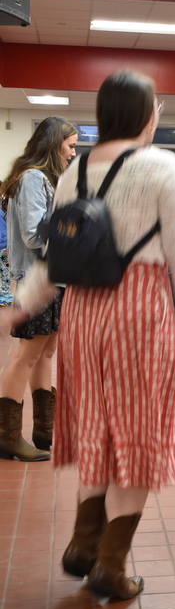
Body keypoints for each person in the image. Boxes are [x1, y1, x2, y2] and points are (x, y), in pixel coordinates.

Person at [1, 71, 175, 601]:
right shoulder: (163, 166)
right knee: (137, 433)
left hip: (82, 311)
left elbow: (55, 255)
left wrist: (22, 304)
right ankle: (111, 565)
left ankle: (82, 545)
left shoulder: (75, 169)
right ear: (147, 114)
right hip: (138, 310)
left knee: (98, 426)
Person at [0, 116, 78, 461]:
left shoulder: (46, 178)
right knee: (24, 357)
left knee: (46, 354)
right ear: (53, 144)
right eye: (70, 146)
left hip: (53, 278)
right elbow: (33, 234)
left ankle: (44, 431)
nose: (73, 153)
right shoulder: (33, 177)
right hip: (36, 279)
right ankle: (7, 436)